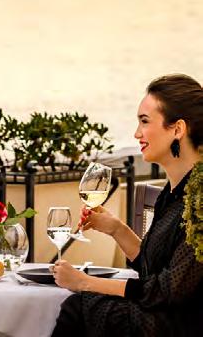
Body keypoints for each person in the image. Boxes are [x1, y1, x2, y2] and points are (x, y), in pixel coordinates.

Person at [51, 73, 203, 337]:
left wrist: (86, 282)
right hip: (165, 315)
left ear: (178, 129)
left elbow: (167, 290)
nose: (137, 133)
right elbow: (151, 271)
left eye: (144, 121)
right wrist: (116, 229)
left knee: (80, 307)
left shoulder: (200, 200)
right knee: (80, 306)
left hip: (185, 325)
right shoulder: (173, 193)